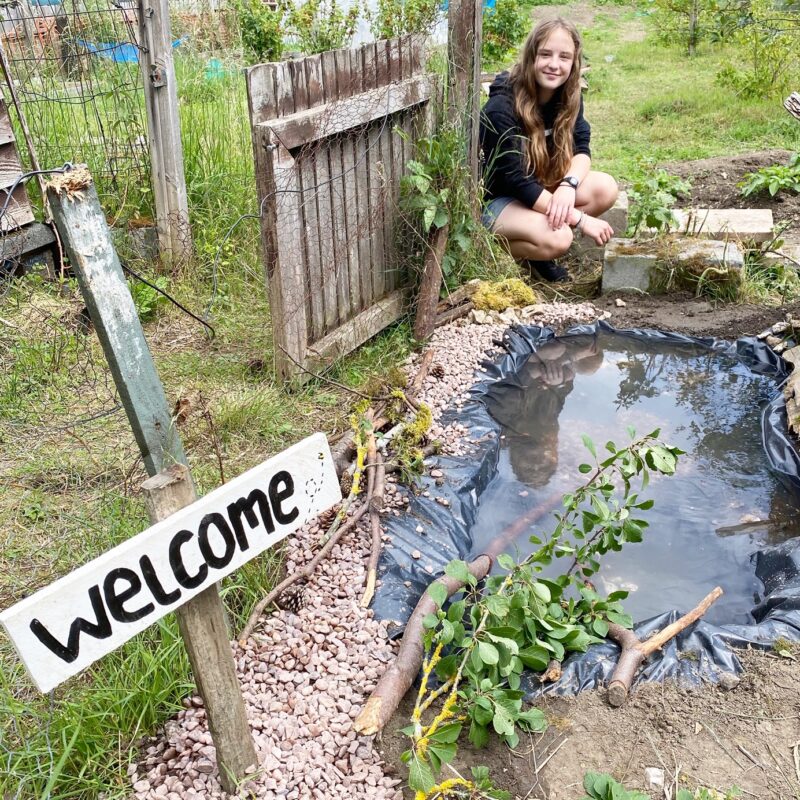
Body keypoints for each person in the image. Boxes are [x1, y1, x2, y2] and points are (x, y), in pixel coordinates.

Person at [479, 18, 619, 283]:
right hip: (495, 202)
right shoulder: (502, 106)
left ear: (574, 62)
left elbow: (581, 147)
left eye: (564, 57)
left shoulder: (568, 96)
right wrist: (580, 219)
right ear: (531, 56)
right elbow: (514, 181)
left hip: (535, 190)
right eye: (545, 54)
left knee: (605, 188)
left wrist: (568, 185)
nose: (554, 64)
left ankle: (536, 248)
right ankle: (493, 251)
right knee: (560, 237)